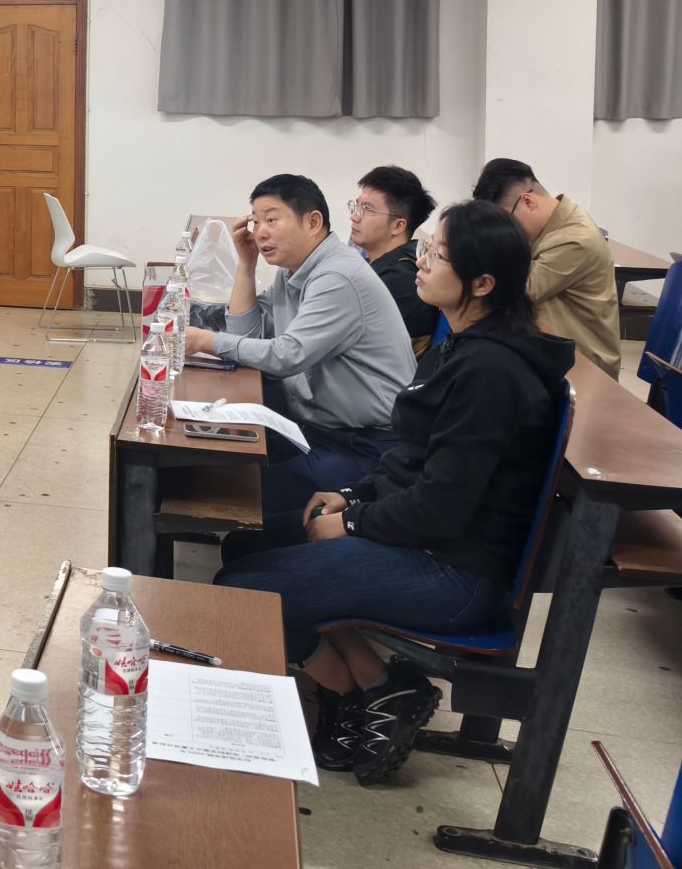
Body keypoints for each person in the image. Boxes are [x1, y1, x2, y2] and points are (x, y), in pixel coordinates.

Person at [214, 200, 572, 784]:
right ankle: (383, 684)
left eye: (437, 254)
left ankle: (353, 693)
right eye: (426, 248)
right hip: (429, 542)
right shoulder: (464, 344)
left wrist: (352, 524)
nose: (421, 262)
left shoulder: (492, 372)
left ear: (482, 283)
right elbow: (410, 458)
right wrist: (351, 495)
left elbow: (440, 505)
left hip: (456, 572)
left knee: (244, 590)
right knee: (245, 545)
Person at [184, 174, 415, 526]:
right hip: (318, 429)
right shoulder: (295, 271)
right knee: (214, 455)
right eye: (256, 221)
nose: (260, 232)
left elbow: (286, 356)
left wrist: (206, 341)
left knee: (237, 489)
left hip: (366, 445)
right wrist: (246, 264)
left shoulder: (337, 276)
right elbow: (249, 332)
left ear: (313, 222)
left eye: (272, 219)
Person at [473, 158, 622, 378]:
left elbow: (516, 293)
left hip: (583, 367)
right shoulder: (551, 226)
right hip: (550, 353)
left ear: (528, 202)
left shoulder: (575, 240)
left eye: (505, 221)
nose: (505, 230)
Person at [349, 165, 439, 354]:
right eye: (357, 206)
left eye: (367, 209)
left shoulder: (400, 280)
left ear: (398, 226)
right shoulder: (391, 264)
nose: (354, 216)